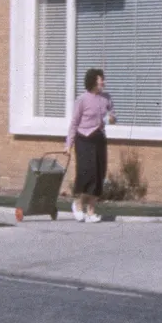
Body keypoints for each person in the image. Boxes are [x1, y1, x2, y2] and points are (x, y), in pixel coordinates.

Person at [65, 68, 116, 223]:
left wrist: (111, 118)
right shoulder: (82, 100)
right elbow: (74, 123)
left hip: (99, 139)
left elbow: (113, 116)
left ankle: (91, 211)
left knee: (99, 174)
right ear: (93, 81)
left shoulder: (106, 98)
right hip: (84, 139)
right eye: (101, 79)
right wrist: (68, 144)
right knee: (87, 173)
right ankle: (78, 205)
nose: (104, 82)